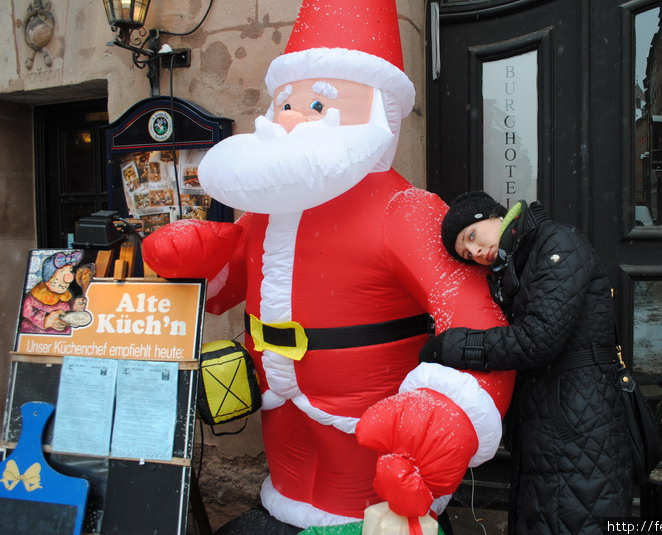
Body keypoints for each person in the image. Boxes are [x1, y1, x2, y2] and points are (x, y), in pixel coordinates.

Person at [141, 1, 515, 533]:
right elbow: (231, 285)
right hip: (280, 405)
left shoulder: (406, 211)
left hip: (369, 414)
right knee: (290, 496)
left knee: (360, 511)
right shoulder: (268, 211)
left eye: (318, 102)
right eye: (285, 101)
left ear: (379, 113)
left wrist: (448, 411)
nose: (290, 116)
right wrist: (201, 255)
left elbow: (477, 318)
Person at [420, 191, 633, 535]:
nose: (475, 252)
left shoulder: (557, 243)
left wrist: (451, 347)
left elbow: (538, 339)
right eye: (466, 252)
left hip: (579, 424)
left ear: (494, 216)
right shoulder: (513, 262)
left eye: (472, 237)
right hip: (547, 426)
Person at [19, 250, 87, 334]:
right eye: (62, 272)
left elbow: (71, 314)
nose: (69, 278)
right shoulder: (34, 297)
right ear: (49, 277)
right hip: (39, 341)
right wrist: (46, 320)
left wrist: (76, 307)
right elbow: (27, 313)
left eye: (70, 271)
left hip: (65, 341)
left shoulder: (66, 296)